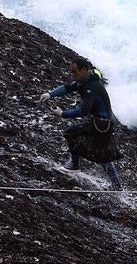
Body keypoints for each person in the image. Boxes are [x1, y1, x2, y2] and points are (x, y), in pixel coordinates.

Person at [38, 57, 122, 189]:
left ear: (84, 69)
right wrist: (49, 94)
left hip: (102, 125)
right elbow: (67, 88)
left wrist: (62, 114)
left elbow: (84, 110)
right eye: (71, 71)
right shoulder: (83, 81)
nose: (73, 74)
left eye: (75, 71)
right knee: (103, 157)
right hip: (100, 123)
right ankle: (117, 187)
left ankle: (74, 165)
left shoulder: (92, 85)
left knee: (71, 133)